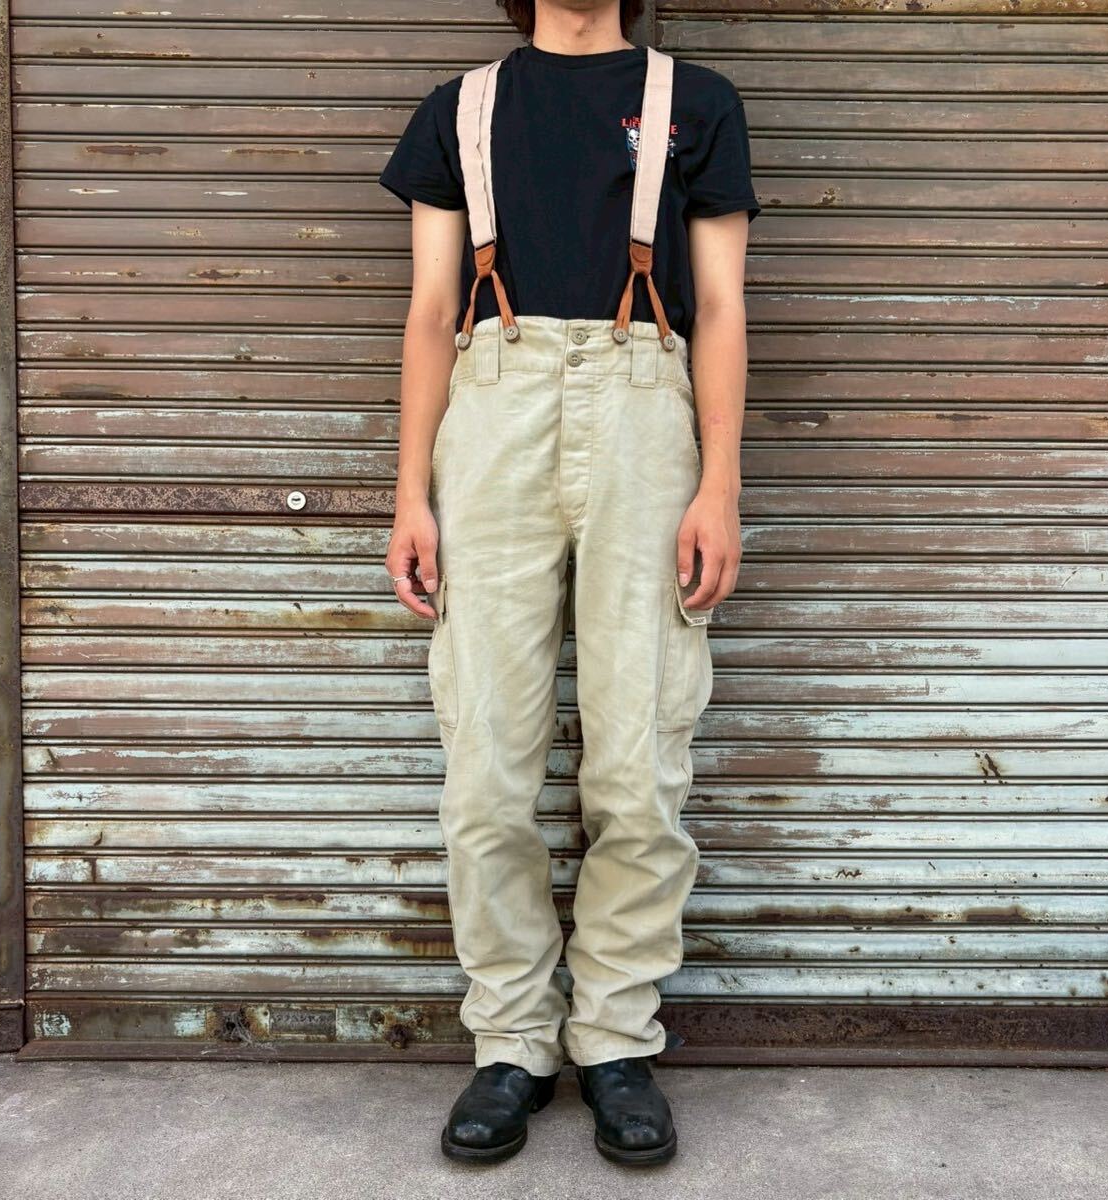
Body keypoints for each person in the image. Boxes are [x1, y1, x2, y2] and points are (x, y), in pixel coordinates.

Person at [378, 0, 757, 1168]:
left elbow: (723, 307)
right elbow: (431, 311)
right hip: (493, 410)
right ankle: (510, 1042)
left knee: (638, 763)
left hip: (647, 406)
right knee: (488, 766)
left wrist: (721, 485)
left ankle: (616, 1041)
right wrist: (409, 493)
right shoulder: (463, 110)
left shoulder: (698, 102)